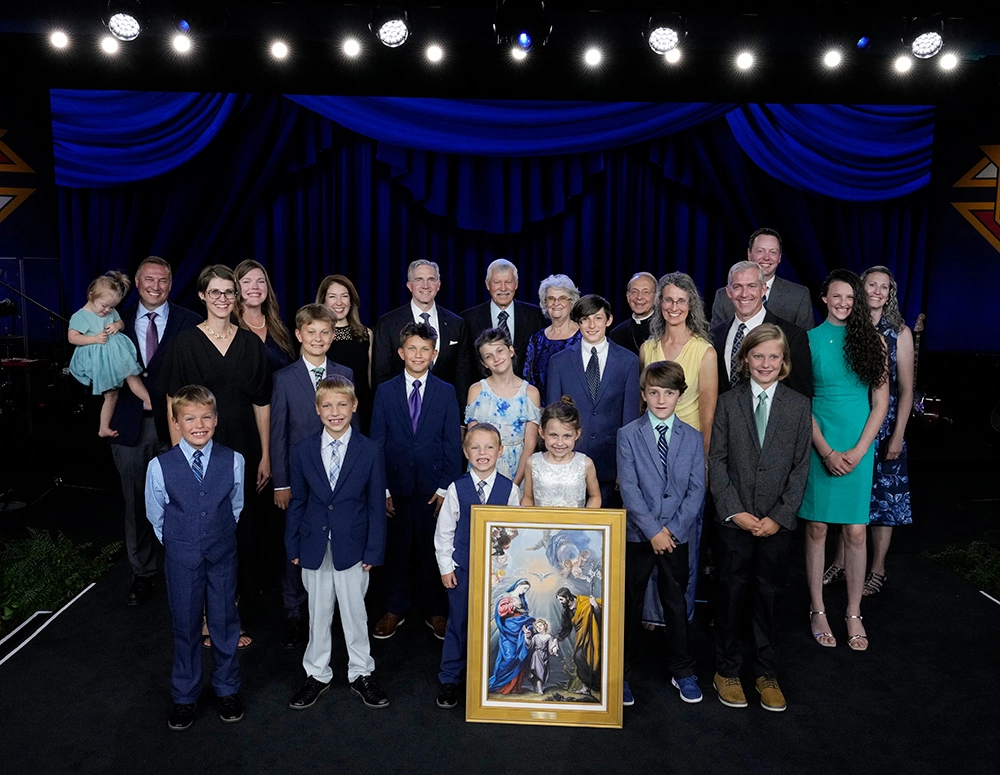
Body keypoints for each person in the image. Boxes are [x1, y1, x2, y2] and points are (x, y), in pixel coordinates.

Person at [158, 265, 272, 642]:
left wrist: (266, 454)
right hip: (198, 449)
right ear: (203, 296)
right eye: (216, 292)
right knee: (203, 534)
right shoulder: (185, 343)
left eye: (229, 293)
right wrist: (179, 458)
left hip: (243, 446)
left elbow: (262, 402)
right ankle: (206, 618)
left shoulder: (251, 344)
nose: (223, 299)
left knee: (238, 532)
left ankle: (229, 615)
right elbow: (173, 401)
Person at [709, 325, 812, 712]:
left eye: (773, 357)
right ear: (745, 360)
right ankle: (727, 669)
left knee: (768, 595)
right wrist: (735, 511)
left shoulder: (799, 406)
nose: (765, 363)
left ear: (783, 362)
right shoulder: (728, 403)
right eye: (758, 356)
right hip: (734, 521)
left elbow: (801, 467)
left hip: (775, 523)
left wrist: (780, 516)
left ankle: (766, 671)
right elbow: (716, 461)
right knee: (731, 593)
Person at [284, 375, 389, 710]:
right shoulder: (302, 451)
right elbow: (298, 501)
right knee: (317, 612)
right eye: (327, 406)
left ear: (354, 406)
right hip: (314, 543)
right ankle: (317, 673)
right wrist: (293, 545)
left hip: (354, 546)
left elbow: (375, 504)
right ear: (317, 410)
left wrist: (374, 548)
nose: (334, 412)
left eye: (342, 405)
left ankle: (361, 672)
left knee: (355, 613)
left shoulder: (369, 450)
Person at [144, 385, 245, 731]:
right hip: (182, 556)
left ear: (216, 420)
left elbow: (235, 506)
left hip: (222, 554)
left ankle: (227, 688)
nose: (198, 424)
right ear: (176, 422)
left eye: (206, 417)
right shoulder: (160, 467)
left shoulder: (234, 460)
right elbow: (156, 515)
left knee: (224, 622)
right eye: (189, 418)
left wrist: (214, 535)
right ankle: (185, 695)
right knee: (186, 627)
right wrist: (181, 542)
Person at [801, 270, 888, 653]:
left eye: (849, 297)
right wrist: (825, 450)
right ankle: (817, 608)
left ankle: (853, 611)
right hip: (820, 439)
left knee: (855, 532)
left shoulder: (874, 341)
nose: (843, 303)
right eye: (836, 296)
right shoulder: (807, 341)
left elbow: (881, 403)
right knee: (817, 527)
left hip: (859, 442)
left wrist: (858, 450)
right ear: (824, 297)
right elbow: (802, 403)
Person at [109, 257, 201, 606]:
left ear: (171, 283)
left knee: (182, 503)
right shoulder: (114, 321)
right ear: (137, 281)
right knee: (136, 504)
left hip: (179, 427)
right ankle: (142, 574)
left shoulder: (190, 322)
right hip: (130, 426)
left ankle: (183, 571)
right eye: (149, 279)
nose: (156, 286)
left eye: (163, 280)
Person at [618, 361, 706, 707]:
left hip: (677, 536)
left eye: (668, 393)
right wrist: (653, 531)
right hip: (639, 536)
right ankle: (621, 673)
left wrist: (672, 530)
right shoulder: (628, 435)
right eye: (653, 392)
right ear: (643, 395)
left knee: (676, 602)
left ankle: (682, 670)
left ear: (679, 396)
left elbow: (696, 490)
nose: (660, 399)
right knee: (630, 604)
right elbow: (629, 488)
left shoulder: (693, 437)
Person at [270, 304, 356, 649]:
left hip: (339, 477)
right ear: (299, 335)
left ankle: (335, 613)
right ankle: (293, 611)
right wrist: (281, 481)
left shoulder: (345, 371)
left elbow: (356, 427)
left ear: (333, 336)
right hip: (300, 478)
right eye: (311, 332)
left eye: (325, 332)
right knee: (297, 543)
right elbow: (278, 433)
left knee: (337, 541)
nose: (318, 338)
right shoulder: (284, 378)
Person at [823, 267, 913, 596]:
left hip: (886, 427)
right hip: (849, 425)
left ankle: (877, 569)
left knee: (884, 502)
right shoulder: (847, 327)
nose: (877, 291)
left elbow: (905, 390)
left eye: (884, 287)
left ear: (890, 294)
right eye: (871, 285)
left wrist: (898, 433)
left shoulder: (898, 332)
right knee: (849, 498)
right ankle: (841, 562)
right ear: (860, 289)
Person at [370, 321, 462, 641]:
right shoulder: (385, 391)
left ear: (434, 354)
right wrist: (381, 488)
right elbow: (377, 442)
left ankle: (435, 609)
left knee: (431, 548)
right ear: (400, 352)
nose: (418, 354)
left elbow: (452, 443)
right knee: (395, 550)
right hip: (395, 487)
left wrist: (443, 488)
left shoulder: (446, 392)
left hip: (431, 489)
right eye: (412, 349)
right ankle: (394, 607)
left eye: (425, 349)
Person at [639, 273, 716, 622]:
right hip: (650, 457)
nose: (673, 307)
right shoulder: (648, 347)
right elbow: (644, 406)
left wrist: (701, 466)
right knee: (650, 536)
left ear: (691, 306)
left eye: (681, 301)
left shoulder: (705, 351)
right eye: (668, 300)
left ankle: (678, 619)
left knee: (684, 540)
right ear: (660, 304)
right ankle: (651, 616)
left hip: (686, 457)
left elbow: (708, 414)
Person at [434, 423, 520, 709]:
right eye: (475, 447)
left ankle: (489, 679)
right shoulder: (456, 489)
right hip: (464, 570)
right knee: (458, 623)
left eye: (489, 447)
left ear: (500, 451)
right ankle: (450, 679)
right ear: (465, 451)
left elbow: (517, 531)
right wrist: (446, 567)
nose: (482, 453)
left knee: (496, 626)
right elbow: (444, 531)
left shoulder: (510, 491)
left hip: (498, 576)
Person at [546, 294, 640, 507]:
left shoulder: (628, 361)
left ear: (608, 320)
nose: (591, 325)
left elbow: (630, 419)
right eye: (585, 319)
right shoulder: (559, 362)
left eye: (597, 318)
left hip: (610, 464)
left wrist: (624, 467)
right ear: (578, 323)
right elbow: (552, 418)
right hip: (568, 461)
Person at [710, 261, 813, 399]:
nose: (744, 294)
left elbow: (801, 398)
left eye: (752, 286)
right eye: (737, 286)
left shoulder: (792, 336)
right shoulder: (714, 336)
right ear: (728, 291)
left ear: (764, 289)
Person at [68, 271, 151, 438]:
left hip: (116, 355)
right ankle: (105, 427)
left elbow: (120, 322)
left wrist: (117, 326)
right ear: (92, 295)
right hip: (100, 359)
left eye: (111, 307)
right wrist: (95, 338)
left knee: (127, 380)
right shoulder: (81, 316)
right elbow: (72, 338)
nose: (107, 310)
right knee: (112, 392)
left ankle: (148, 403)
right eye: (104, 305)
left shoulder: (110, 312)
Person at [372, 260, 470, 399]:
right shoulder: (388, 324)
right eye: (419, 280)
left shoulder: (456, 323)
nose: (425, 285)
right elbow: (381, 375)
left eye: (431, 279)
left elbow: (462, 375)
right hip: (401, 407)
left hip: (443, 407)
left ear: (438, 285)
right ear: (409, 286)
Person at [465, 328, 541, 489]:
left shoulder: (530, 393)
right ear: (484, 363)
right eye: (488, 356)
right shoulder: (477, 391)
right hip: (482, 471)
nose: (496, 358)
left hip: (518, 473)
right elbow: (473, 441)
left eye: (500, 351)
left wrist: (514, 485)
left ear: (511, 350)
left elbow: (530, 445)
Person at [461, 258, 546, 391]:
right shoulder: (468, 319)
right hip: (484, 396)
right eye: (497, 282)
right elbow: (464, 369)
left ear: (516, 284)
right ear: (488, 285)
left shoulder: (535, 316)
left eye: (508, 282)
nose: (503, 288)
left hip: (525, 395)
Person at [710, 228, 815, 330]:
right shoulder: (723, 296)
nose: (766, 257)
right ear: (749, 254)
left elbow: (804, 342)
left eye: (773, 252)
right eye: (760, 251)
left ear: (779, 257)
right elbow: (716, 340)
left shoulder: (799, 295)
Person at [317, 274, 374, 433]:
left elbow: (369, 380)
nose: (339, 302)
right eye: (332, 297)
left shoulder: (366, 334)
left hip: (361, 413)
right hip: (328, 414)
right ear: (323, 301)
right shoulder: (316, 337)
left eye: (344, 296)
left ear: (351, 301)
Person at [521, 397, 601, 509]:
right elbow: (528, 498)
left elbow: (595, 496)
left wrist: (586, 520)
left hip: (575, 525)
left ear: (577, 434)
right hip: (541, 524)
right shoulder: (533, 462)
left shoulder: (585, 463)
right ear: (542, 432)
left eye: (567, 436)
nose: (559, 443)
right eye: (553, 435)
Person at [522, 274, 582, 398]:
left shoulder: (584, 336)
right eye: (551, 298)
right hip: (544, 412)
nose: (556, 303)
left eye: (562, 298)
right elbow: (529, 380)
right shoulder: (536, 340)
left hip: (577, 411)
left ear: (571, 302)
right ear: (545, 302)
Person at [234, 259, 295, 374]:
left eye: (261, 281)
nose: (255, 287)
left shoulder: (280, 329)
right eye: (247, 282)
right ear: (236, 288)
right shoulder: (230, 327)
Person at [487, 578, 535, 694]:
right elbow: (501, 611)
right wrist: (512, 604)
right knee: (509, 657)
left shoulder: (522, 600)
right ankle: (499, 682)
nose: (524, 591)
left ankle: (513, 687)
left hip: (519, 631)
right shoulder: (507, 597)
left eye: (526, 590)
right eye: (524, 588)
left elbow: (525, 612)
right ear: (518, 585)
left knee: (519, 657)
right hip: (509, 631)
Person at [555, 587, 602, 697]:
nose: (560, 602)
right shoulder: (566, 611)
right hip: (582, 637)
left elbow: (604, 617)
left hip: (595, 635)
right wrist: (557, 639)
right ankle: (586, 686)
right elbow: (566, 628)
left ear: (567, 597)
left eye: (561, 599)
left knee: (596, 659)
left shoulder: (586, 602)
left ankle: (598, 686)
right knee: (578, 657)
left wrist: (595, 606)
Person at [609, 272, 657, 355]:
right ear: (628, 296)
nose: (639, 297)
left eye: (646, 292)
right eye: (634, 292)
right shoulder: (617, 334)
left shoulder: (666, 329)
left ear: (656, 296)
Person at [525, 618, 559, 694]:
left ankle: (534, 686)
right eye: (537, 626)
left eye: (540, 625)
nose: (539, 627)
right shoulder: (535, 637)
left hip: (545, 657)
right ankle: (540, 690)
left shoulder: (549, 637)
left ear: (545, 626)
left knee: (542, 673)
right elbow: (530, 645)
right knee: (538, 672)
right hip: (536, 656)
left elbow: (550, 648)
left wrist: (554, 649)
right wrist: (527, 637)